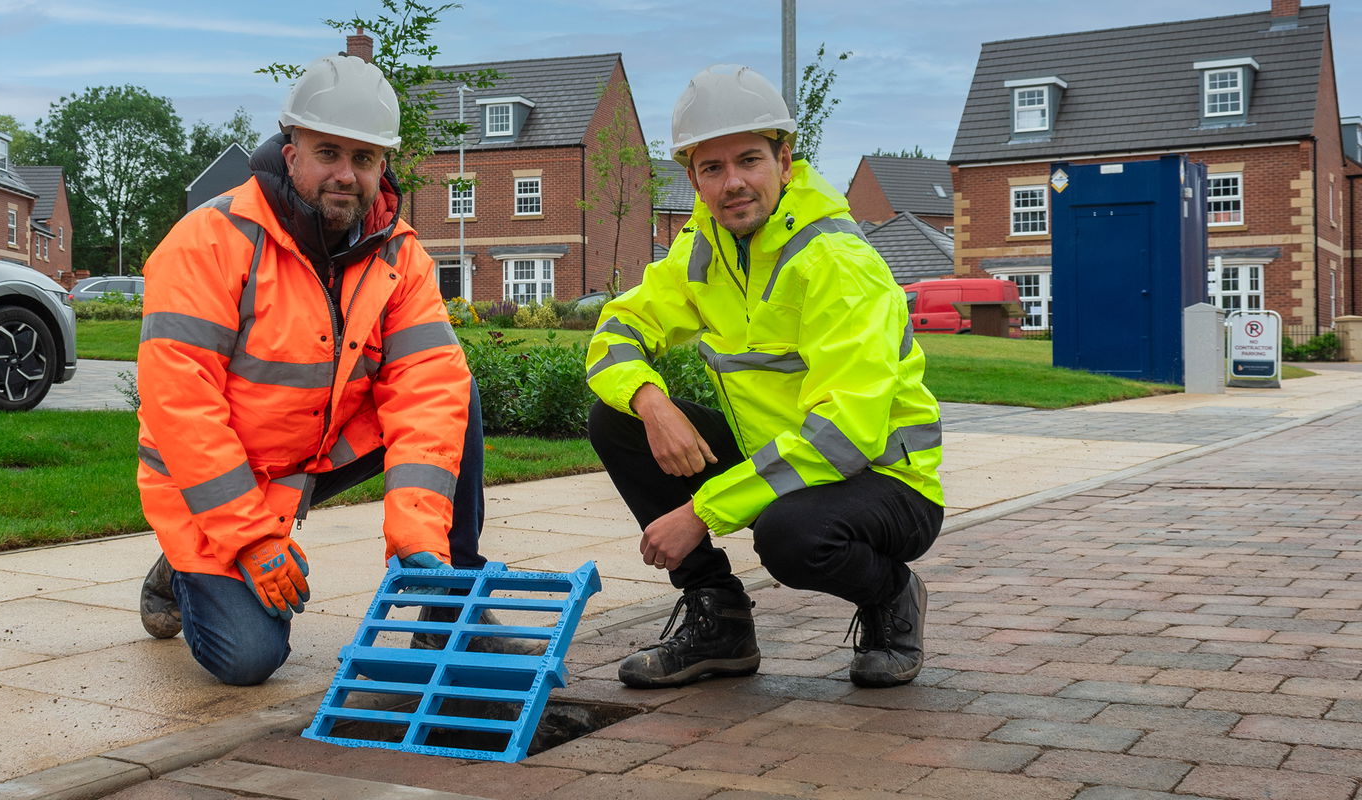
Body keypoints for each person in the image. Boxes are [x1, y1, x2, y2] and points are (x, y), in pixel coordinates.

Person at [134, 54, 527, 686]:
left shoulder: (399, 254)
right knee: (249, 660)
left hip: (317, 451)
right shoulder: (208, 241)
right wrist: (252, 539)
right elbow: (180, 407)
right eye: (328, 152)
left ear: (382, 165)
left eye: (365, 158)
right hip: (213, 476)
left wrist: (420, 545)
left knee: (459, 389)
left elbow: (428, 388)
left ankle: (448, 606)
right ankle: (189, 560)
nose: (347, 174)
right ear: (291, 154)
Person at [585, 65, 945, 690]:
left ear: (784, 158)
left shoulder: (836, 261)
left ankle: (892, 594)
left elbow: (844, 435)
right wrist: (649, 401)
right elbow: (616, 331)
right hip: (778, 467)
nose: (733, 184)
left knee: (791, 537)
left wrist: (701, 510)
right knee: (615, 417)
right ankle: (719, 617)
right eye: (712, 168)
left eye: (749, 160)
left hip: (885, 481)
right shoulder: (704, 247)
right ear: (693, 177)